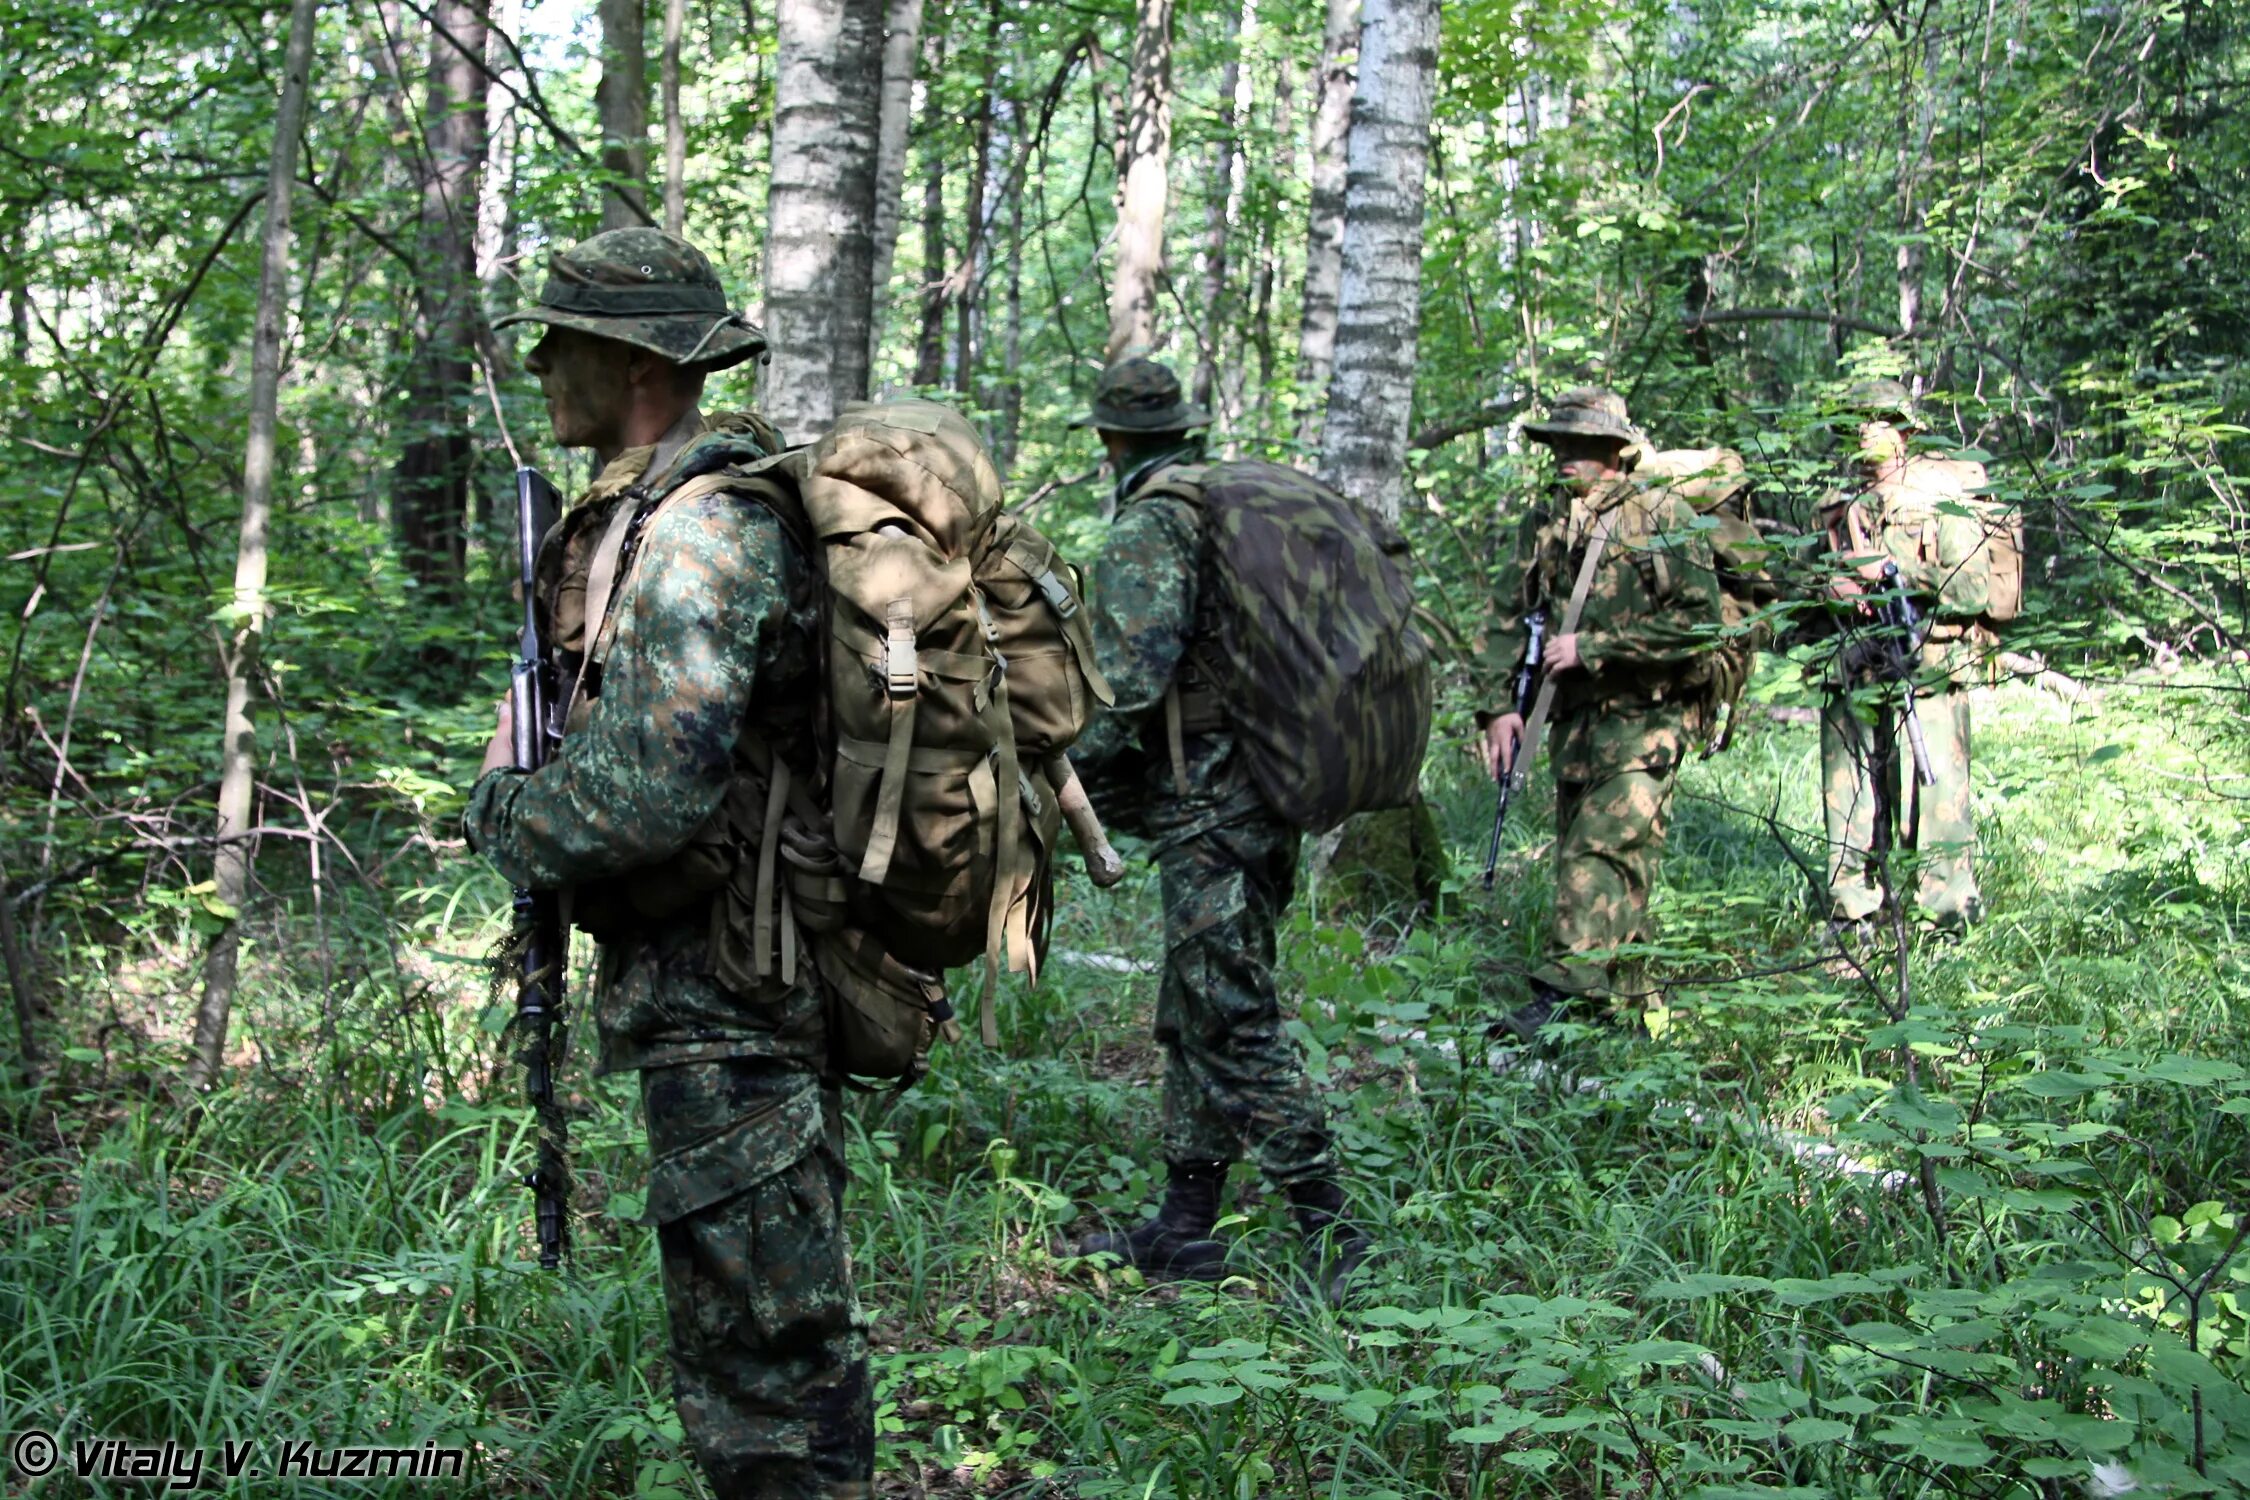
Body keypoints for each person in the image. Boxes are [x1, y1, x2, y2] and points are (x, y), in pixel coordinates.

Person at [466, 228, 869, 1498]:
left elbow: (648, 793)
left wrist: (500, 812)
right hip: (711, 978)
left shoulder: (700, 534)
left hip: (731, 987)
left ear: (633, 358)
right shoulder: (657, 509)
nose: (538, 363)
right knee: (756, 1323)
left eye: (559, 338)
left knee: (764, 1350)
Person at [1065, 356, 1364, 1297]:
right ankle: (1187, 1226)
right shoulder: (1226, 512)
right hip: (1259, 786)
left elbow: (1127, 683)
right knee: (1196, 1001)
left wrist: (1056, 770)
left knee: (1228, 1009)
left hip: (1215, 801)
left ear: (1112, 440)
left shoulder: (1157, 522)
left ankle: (1334, 1228)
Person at [1478, 387, 1725, 1036]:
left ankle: (1562, 1009)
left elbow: (1700, 626)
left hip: (1646, 724)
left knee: (1598, 855)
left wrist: (1594, 646)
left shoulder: (1660, 513)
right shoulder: (1548, 522)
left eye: (1576, 442)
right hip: (1576, 725)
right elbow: (1507, 615)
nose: (1560, 453)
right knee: (1613, 868)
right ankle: (1631, 1016)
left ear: (1613, 451)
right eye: (1556, 441)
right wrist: (1497, 707)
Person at [1818, 377, 1989, 933]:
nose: (1863, 438)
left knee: (1934, 793)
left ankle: (1946, 912)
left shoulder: (1942, 498)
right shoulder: (1838, 507)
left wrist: (1893, 575)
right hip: (1856, 668)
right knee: (1849, 794)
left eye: (1875, 425)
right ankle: (1854, 909)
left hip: (1931, 670)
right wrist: (1832, 589)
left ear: (1904, 433)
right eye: (1853, 427)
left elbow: (1972, 590)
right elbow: (1805, 586)